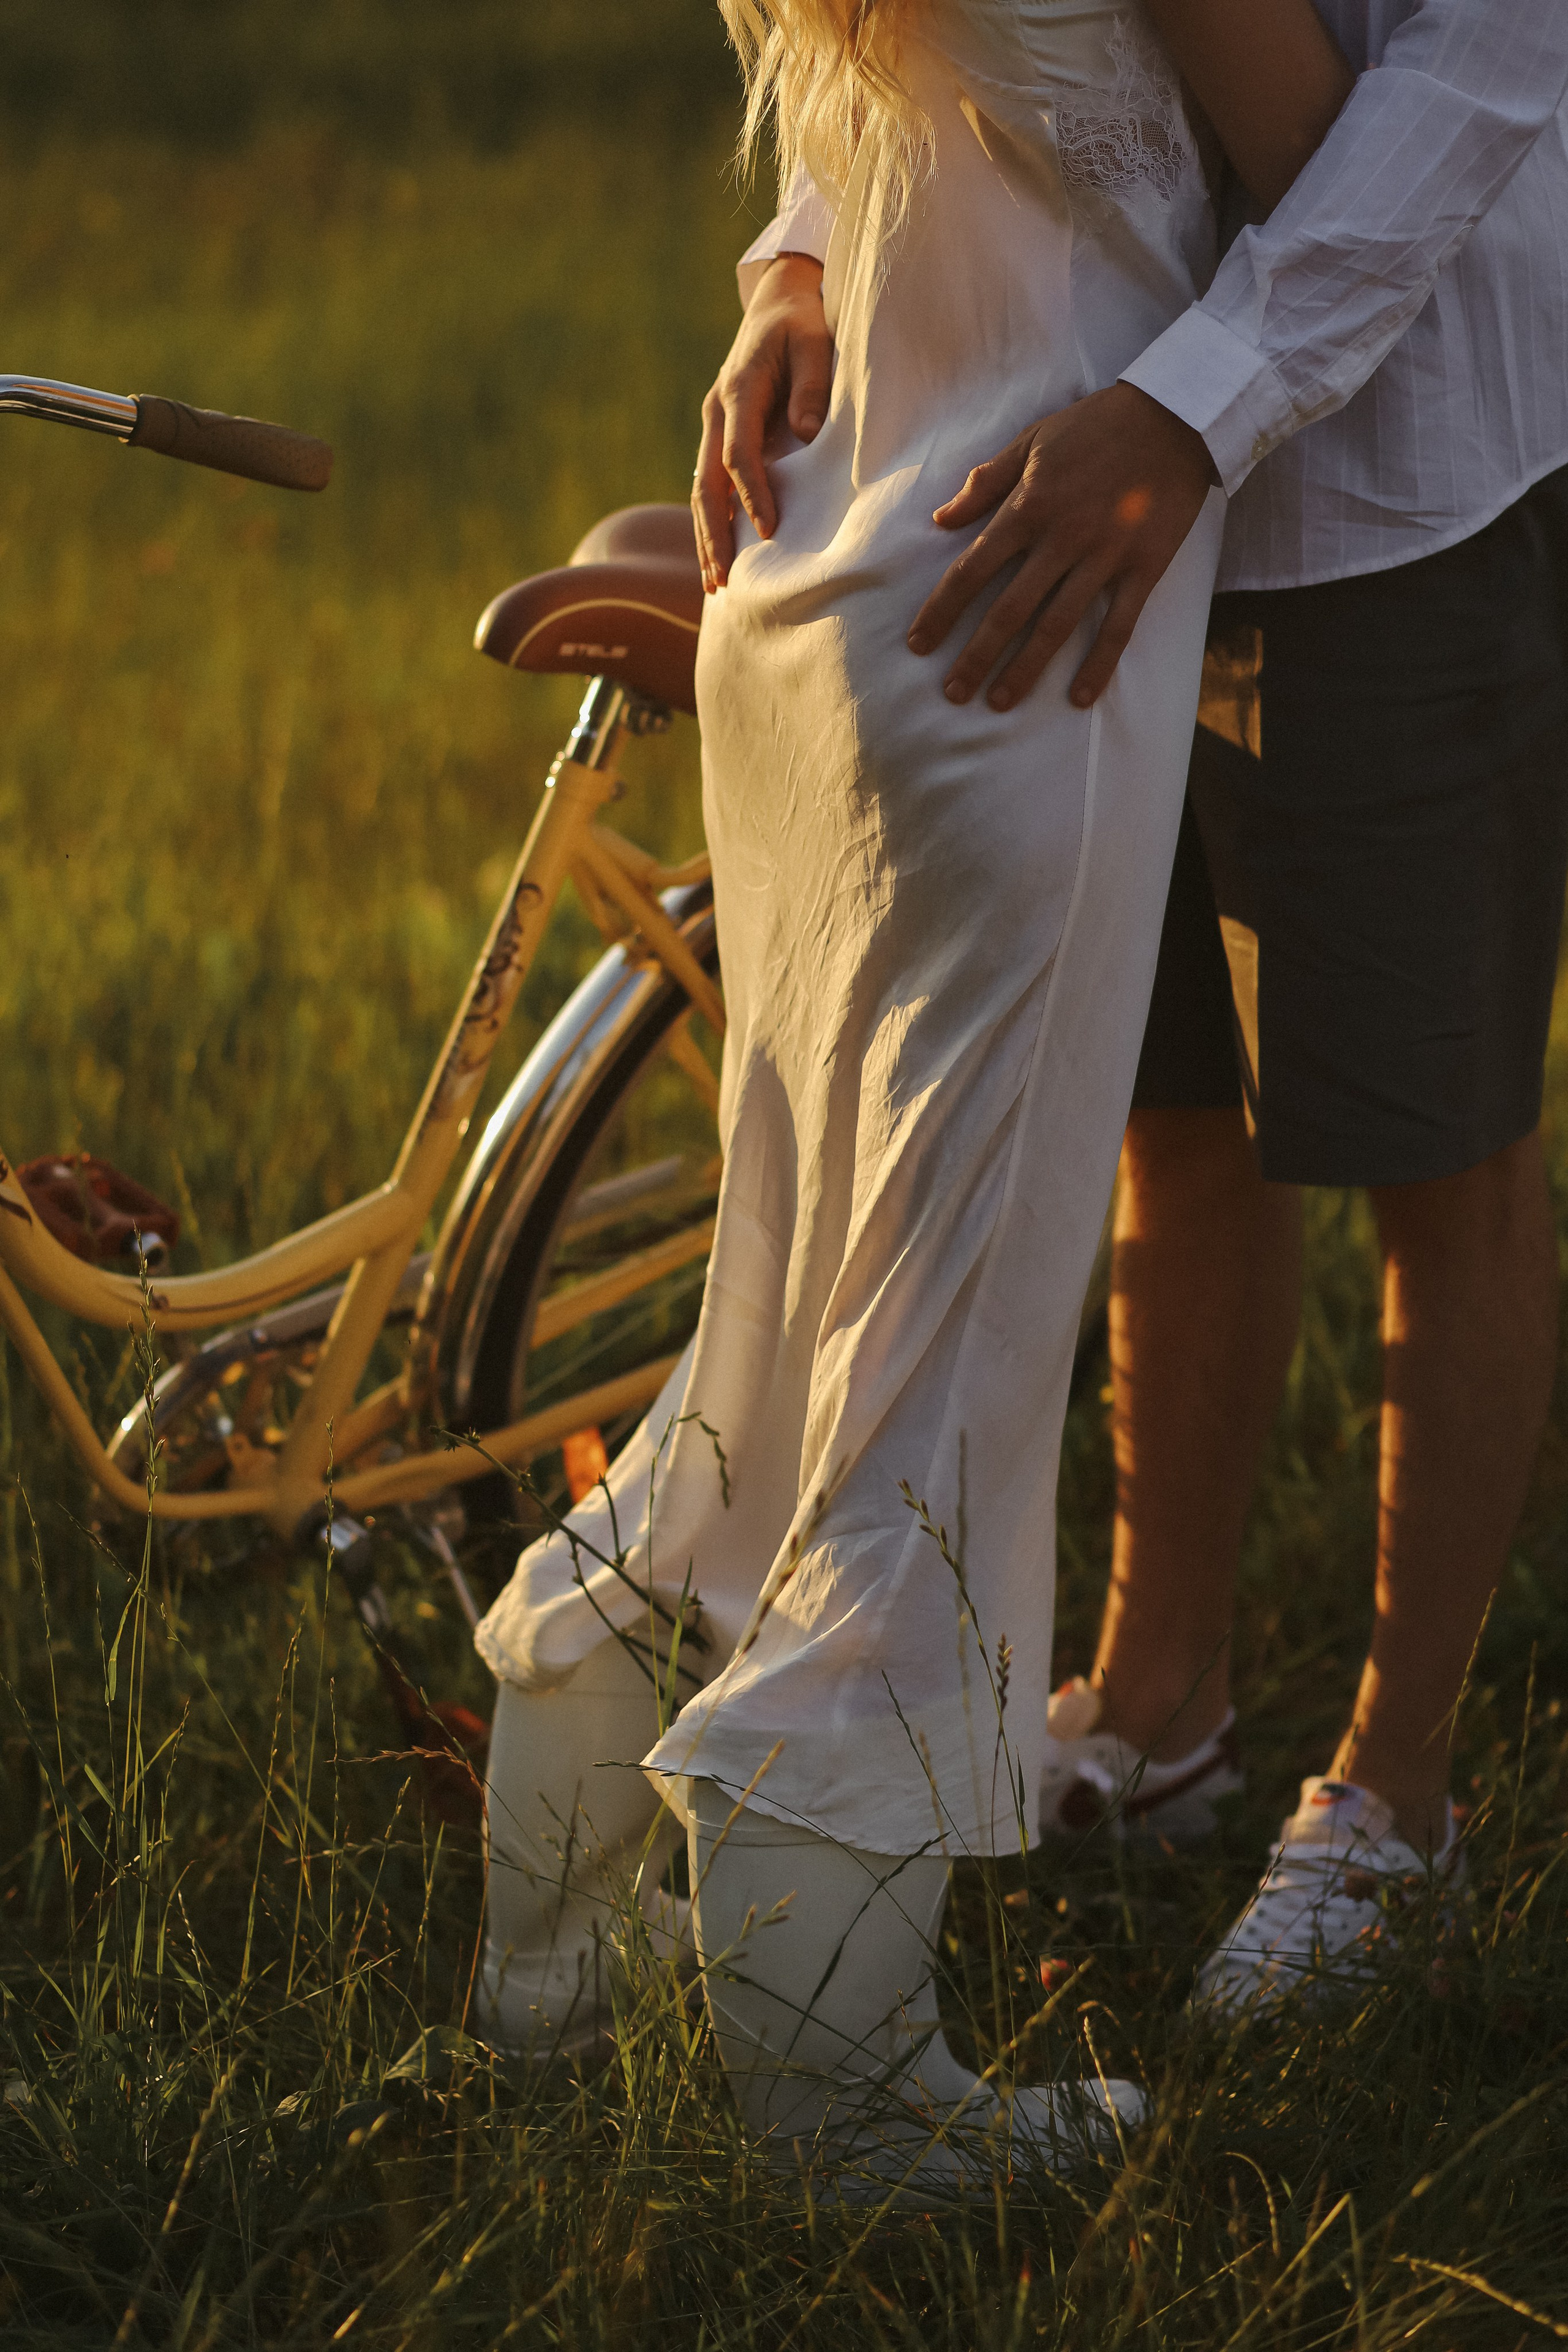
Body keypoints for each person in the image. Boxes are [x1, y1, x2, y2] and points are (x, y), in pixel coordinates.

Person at [475, 0, 1349, 2179]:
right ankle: (836, 2082)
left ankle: (557, 1964)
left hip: (821, 590)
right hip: (1025, 617)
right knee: (942, 1353)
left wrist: (788, 269)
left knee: (770, 1307)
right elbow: (1331, 153)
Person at [714, 0, 1568, 2014]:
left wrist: (1198, 412)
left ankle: (1398, 1801)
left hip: (1389, 464)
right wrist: (804, 265)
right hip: (1068, 437)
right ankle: (1157, 1702)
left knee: (1432, 1140)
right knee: (1167, 1100)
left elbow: (1486, 70)